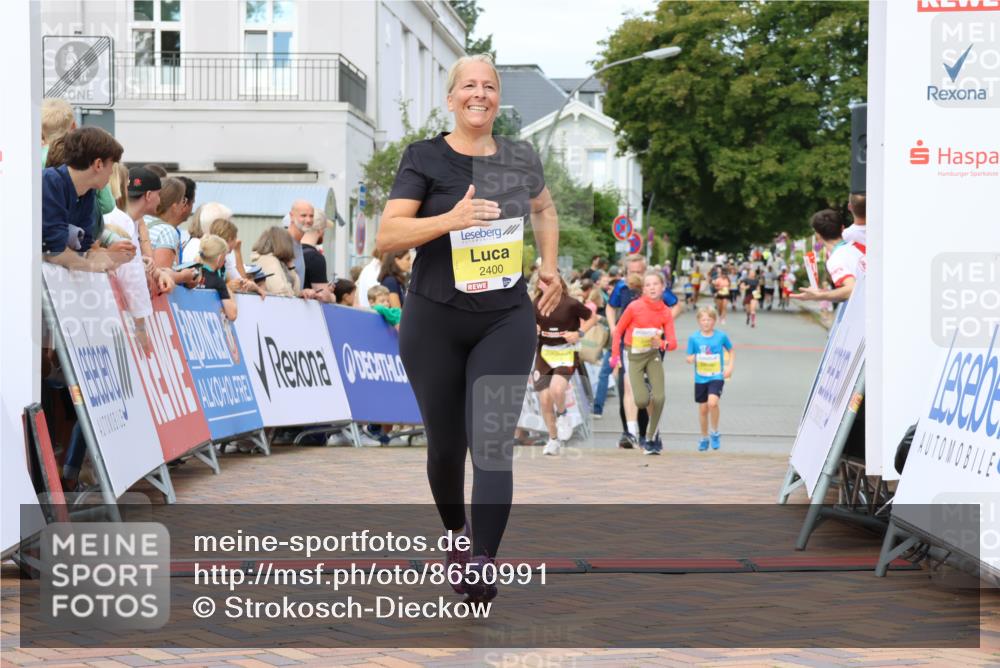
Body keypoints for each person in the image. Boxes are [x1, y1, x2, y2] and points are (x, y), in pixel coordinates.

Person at [377, 53, 561, 603]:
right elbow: (387, 238)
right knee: (446, 447)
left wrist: (550, 265)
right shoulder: (424, 157)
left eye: (489, 86)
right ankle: (457, 534)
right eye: (469, 86)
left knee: (492, 444)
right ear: (451, 97)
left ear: (498, 98)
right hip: (433, 318)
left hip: (505, 317)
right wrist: (452, 220)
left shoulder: (519, 157)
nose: (479, 94)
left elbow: (545, 209)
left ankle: (483, 559)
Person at [607, 254, 682, 449]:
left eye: (639, 271)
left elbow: (675, 306)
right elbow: (610, 307)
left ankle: (649, 433)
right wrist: (613, 327)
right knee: (627, 387)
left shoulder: (654, 289)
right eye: (632, 271)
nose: (636, 275)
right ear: (626, 272)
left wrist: (664, 325)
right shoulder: (622, 288)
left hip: (652, 347)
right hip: (630, 345)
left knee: (648, 390)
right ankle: (629, 432)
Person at [41, 127, 130, 272]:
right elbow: (54, 250)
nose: (111, 173)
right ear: (98, 164)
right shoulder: (50, 182)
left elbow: (85, 246)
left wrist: (106, 259)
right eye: (112, 165)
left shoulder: (87, 192)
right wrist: (92, 266)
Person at [533, 278, 598, 456]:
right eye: (542, 282)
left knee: (556, 388)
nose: (546, 286)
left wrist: (579, 333)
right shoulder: (536, 303)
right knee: (545, 400)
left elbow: (593, 317)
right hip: (545, 354)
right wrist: (534, 327)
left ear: (559, 284)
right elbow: (528, 322)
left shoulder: (570, 304)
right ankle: (553, 440)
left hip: (566, 352)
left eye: (549, 282)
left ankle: (562, 415)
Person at [686, 306, 734, 451]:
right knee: (703, 409)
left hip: (716, 376)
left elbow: (731, 350)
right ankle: (704, 437)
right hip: (700, 378)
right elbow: (688, 357)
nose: (706, 322)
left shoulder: (721, 336)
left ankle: (715, 432)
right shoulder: (694, 338)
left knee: (712, 403)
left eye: (709, 319)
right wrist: (693, 358)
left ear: (714, 321)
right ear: (699, 321)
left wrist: (730, 367)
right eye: (703, 320)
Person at [792, 209, 866, 303]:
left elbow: (851, 289)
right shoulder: (859, 246)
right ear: (842, 228)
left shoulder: (835, 259)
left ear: (817, 235)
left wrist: (820, 295)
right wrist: (825, 293)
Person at [148, 177, 199, 288]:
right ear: (174, 206)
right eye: (183, 201)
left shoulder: (142, 221)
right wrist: (183, 276)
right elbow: (161, 281)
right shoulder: (167, 231)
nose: (184, 205)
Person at [250, 226, 301, 297]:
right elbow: (279, 291)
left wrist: (291, 267)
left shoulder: (280, 262)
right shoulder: (268, 261)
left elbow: (297, 293)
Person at [197, 234, 237, 320]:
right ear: (219, 258)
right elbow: (232, 314)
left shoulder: (192, 274)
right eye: (224, 256)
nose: (225, 260)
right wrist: (228, 289)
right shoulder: (218, 282)